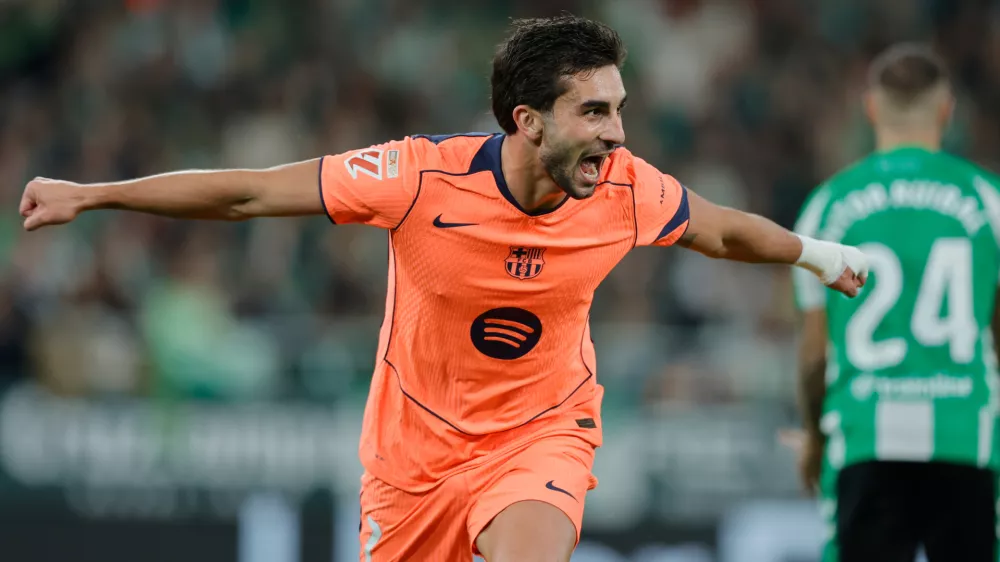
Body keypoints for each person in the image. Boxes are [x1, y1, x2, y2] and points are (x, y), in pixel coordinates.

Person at [20, 15, 867, 562]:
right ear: (527, 122)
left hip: (540, 433)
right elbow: (249, 191)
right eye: (595, 114)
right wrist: (94, 195)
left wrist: (818, 256)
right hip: (412, 458)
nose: (617, 135)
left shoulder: (626, 187)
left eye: (617, 109)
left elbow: (721, 230)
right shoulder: (416, 177)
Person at [791, 43, 1000, 562]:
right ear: (947, 110)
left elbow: (816, 354)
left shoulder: (828, 205)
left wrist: (815, 440)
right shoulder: (988, 200)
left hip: (865, 438)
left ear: (871, 109)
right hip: (965, 436)